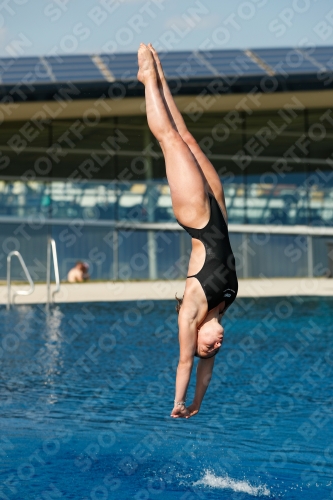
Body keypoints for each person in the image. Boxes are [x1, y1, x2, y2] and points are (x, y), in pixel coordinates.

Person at [137, 44, 238, 419]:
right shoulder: (223, 305)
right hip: (220, 214)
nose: (216, 346)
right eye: (214, 349)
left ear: (195, 338)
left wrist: (178, 402)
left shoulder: (191, 315)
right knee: (189, 140)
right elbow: (205, 373)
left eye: (207, 349)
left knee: (170, 141)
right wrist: (198, 403)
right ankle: (160, 76)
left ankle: (147, 79)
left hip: (196, 215)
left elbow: (186, 364)